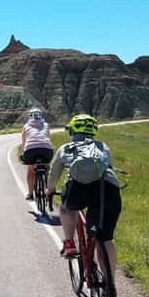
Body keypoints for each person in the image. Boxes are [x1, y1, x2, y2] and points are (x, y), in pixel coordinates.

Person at [46, 114, 121, 285]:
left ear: (72, 130)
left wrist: (50, 190)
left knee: (66, 208)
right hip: (108, 189)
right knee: (106, 238)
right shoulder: (103, 146)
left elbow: (53, 175)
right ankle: (111, 285)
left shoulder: (65, 148)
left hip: (78, 190)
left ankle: (69, 243)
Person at [20, 108, 53, 201]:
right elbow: (48, 137)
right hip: (46, 149)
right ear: (41, 115)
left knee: (30, 170)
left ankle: (30, 193)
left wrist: (23, 154)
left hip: (30, 150)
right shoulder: (45, 124)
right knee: (47, 167)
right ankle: (48, 190)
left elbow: (23, 142)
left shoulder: (26, 126)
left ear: (30, 116)